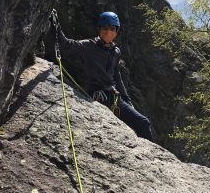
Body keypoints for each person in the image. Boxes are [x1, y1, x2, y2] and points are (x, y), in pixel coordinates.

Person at [50, 10, 153, 141]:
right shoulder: (88, 46)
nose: (108, 32)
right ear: (99, 29)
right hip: (96, 94)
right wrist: (56, 25)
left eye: (111, 28)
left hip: (113, 96)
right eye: (104, 28)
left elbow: (117, 77)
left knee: (143, 123)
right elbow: (66, 45)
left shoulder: (116, 51)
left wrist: (127, 101)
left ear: (116, 31)